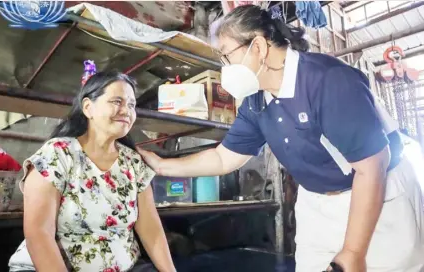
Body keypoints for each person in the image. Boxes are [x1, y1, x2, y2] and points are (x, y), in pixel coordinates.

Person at [137, 5, 424, 272]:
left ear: (258, 47)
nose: (224, 66)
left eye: (226, 55)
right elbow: (223, 157)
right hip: (318, 203)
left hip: (377, 198)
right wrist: (162, 166)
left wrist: (353, 250)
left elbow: (371, 168)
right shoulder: (256, 101)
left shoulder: (328, 80)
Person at [8, 71, 175, 272]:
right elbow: (39, 232)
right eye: (117, 101)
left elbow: (151, 230)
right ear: (88, 108)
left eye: (131, 105)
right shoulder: (58, 154)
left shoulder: (133, 163)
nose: (126, 110)